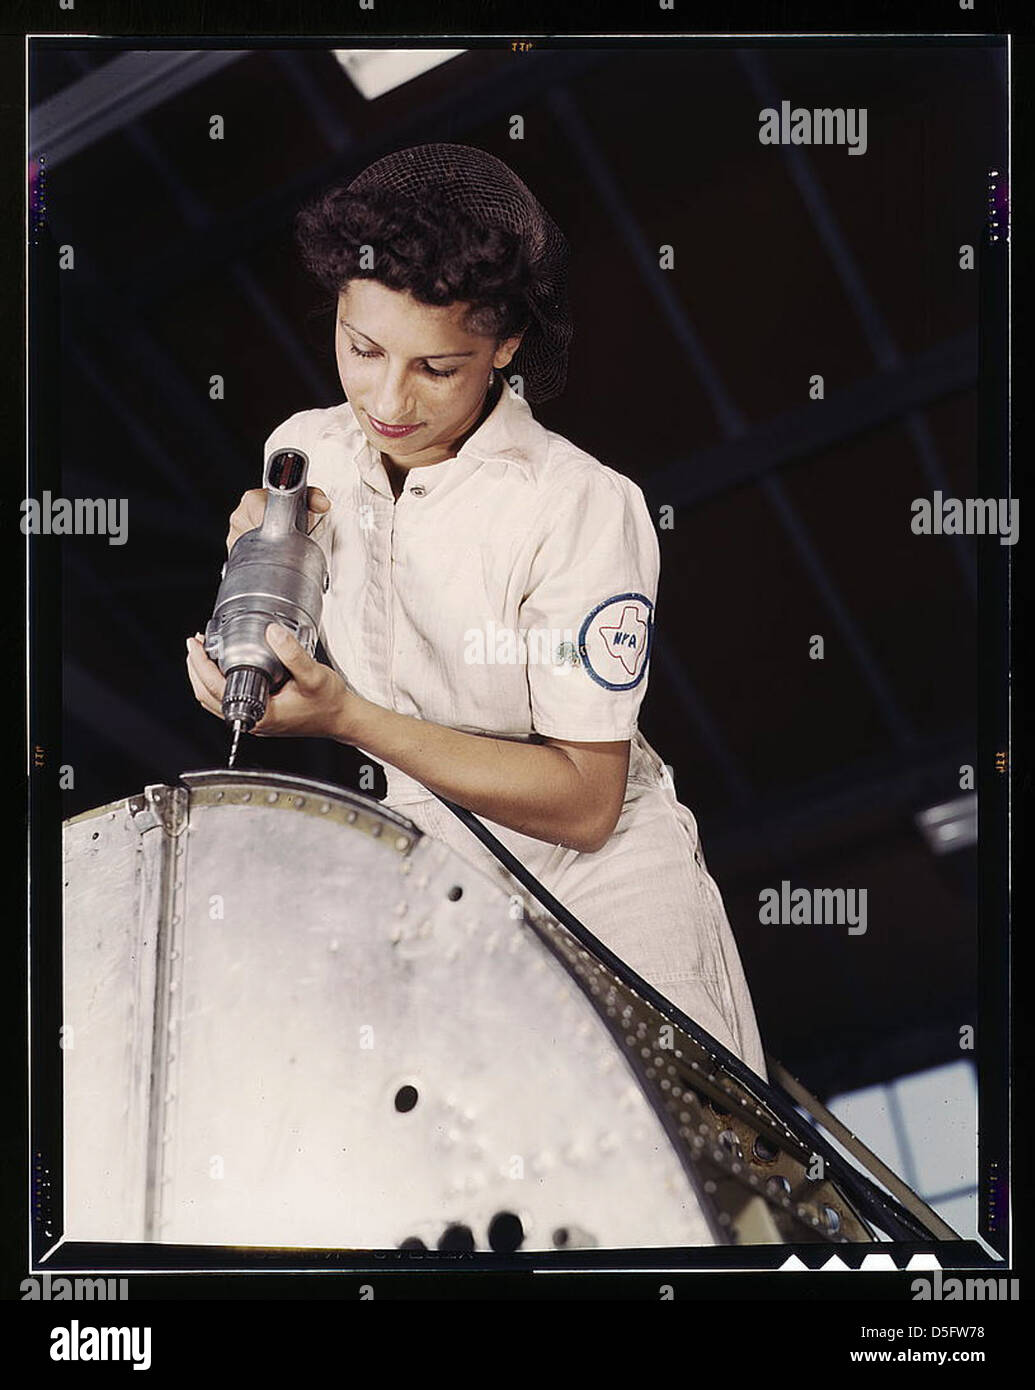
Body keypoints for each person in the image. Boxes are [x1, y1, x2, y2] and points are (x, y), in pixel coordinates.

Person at [186, 143, 767, 1080]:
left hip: (604, 889)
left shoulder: (576, 504)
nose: (386, 398)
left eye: (438, 367)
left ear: (504, 348)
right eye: (361, 347)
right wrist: (251, 611)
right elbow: (299, 585)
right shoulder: (303, 448)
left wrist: (345, 718)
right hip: (434, 876)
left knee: (691, 1185)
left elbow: (585, 802)